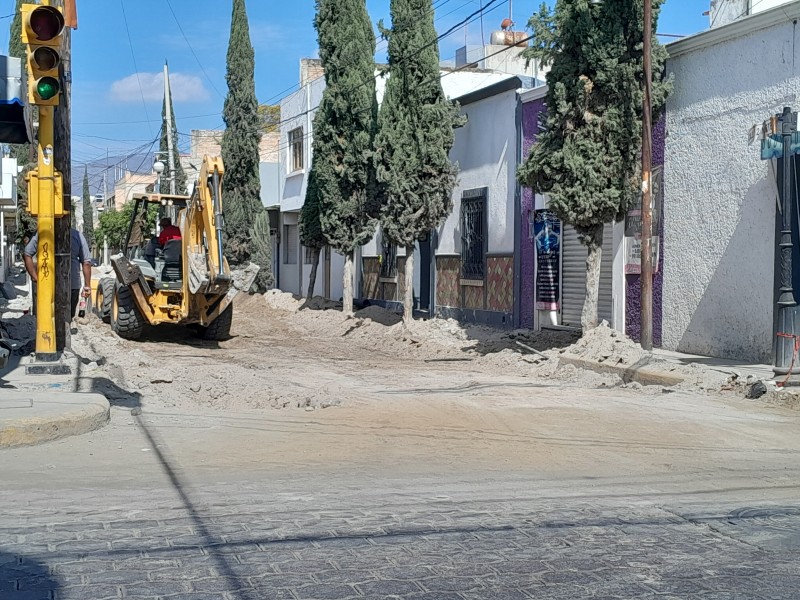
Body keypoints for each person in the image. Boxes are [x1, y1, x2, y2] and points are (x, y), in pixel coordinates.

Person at [23, 228, 92, 320]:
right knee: (67, 317)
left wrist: (34, 276)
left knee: (47, 316)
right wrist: (87, 286)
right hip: (72, 284)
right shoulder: (77, 235)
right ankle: (65, 329)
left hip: (47, 283)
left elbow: (27, 254)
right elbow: (86, 262)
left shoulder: (42, 232)